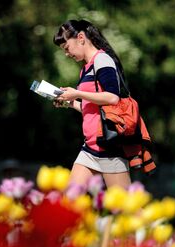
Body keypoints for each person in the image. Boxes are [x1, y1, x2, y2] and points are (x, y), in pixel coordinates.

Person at [53, 19, 131, 189]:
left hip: (109, 148)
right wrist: (70, 102)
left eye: (67, 48)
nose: (67, 54)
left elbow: (112, 97)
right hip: (90, 148)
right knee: (70, 200)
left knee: (124, 208)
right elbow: (91, 109)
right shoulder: (86, 68)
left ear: (81, 37)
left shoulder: (102, 60)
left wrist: (77, 92)